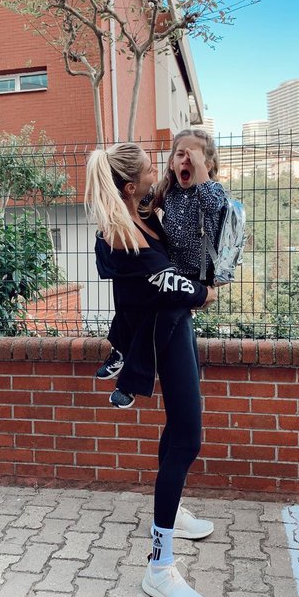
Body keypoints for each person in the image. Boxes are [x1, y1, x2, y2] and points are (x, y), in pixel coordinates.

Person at [85, 142, 216, 597]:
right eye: (147, 169)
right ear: (128, 186)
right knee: (188, 437)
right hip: (164, 335)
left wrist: (193, 164)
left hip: (175, 329)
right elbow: (168, 284)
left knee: (179, 428)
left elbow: (181, 193)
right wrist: (204, 293)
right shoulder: (122, 237)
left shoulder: (140, 213)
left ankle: (172, 512)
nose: (155, 172)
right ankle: (159, 568)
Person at [99, 129, 226, 407]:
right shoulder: (168, 191)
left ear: (208, 164)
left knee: (158, 320)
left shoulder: (211, 191)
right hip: (171, 269)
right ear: (171, 163)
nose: (187, 161)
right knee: (130, 306)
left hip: (194, 274)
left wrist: (200, 169)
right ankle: (119, 350)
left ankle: (129, 383)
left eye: (194, 157)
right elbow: (138, 201)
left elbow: (214, 206)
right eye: (180, 155)